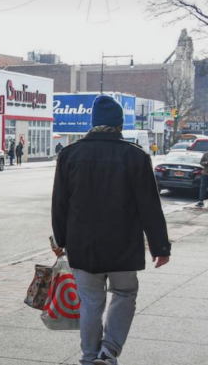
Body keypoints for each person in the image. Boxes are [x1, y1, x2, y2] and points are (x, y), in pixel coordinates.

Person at [52, 96, 171, 365]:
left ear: (93, 123)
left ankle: (89, 356)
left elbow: (60, 203)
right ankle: (108, 352)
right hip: (123, 245)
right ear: (119, 125)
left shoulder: (69, 155)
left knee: (90, 302)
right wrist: (160, 247)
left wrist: (60, 240)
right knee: (124, 294)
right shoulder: (135, 156)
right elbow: (149, 207)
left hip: (82, 245)